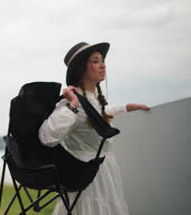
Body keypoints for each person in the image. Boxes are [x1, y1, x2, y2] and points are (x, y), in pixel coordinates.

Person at [38, 42, 150, 215]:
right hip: (87, 178)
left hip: (105, 173)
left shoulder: (92, 98)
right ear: (82, 68)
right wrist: (72, 106)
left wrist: (126, 107)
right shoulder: (72, 101)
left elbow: (97, 115)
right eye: (95, 61)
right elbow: (47, 137)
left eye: (102, 60)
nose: (103, 64)